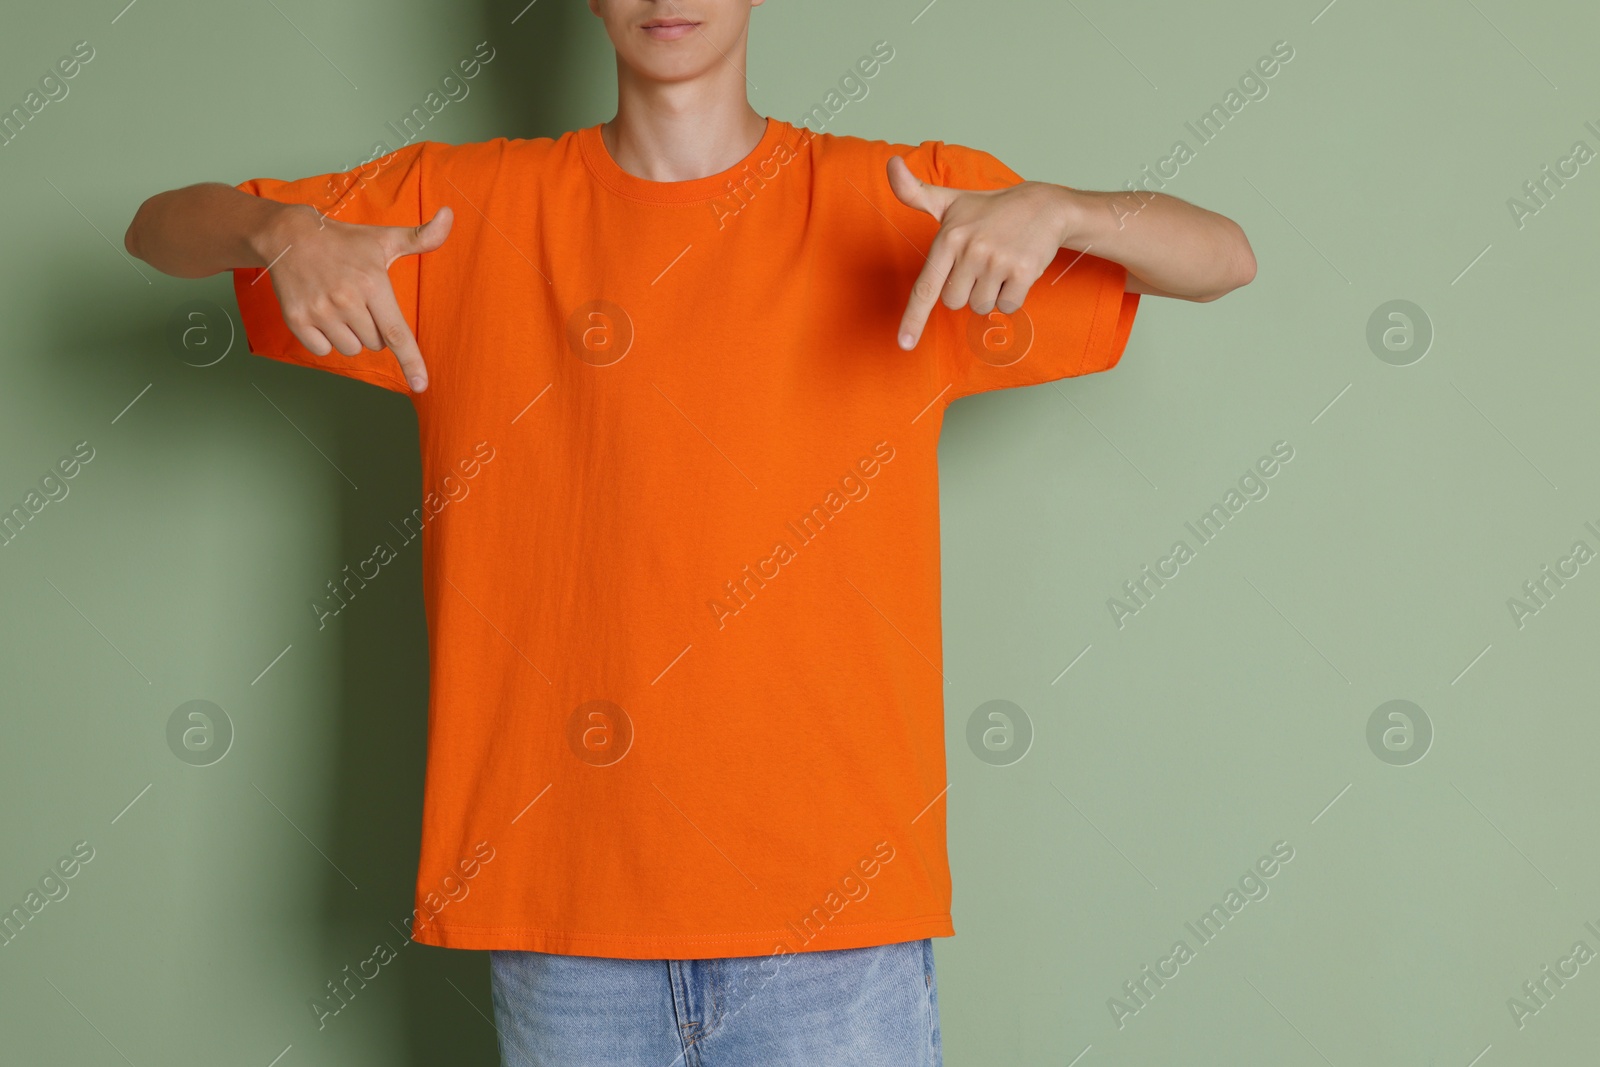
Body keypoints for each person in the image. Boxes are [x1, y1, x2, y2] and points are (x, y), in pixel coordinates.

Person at [124, 1, 1254, 1063]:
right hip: (559, 912)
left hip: (833, 919)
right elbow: (156, 228)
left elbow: (1221, 258)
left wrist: (1065, 209)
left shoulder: (902, 201)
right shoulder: (458, 212)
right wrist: (280, 230)